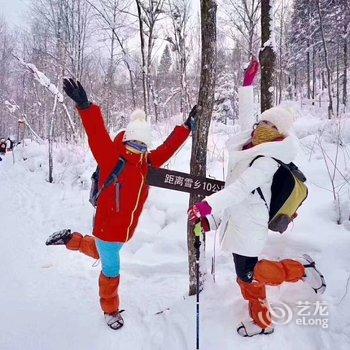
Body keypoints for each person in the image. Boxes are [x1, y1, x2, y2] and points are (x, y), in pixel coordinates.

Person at [46, 78, 197, 330]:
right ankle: (110, 311)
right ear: (126, 140)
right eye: (134, 143)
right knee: (111, 271)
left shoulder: (145, 163)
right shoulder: (110, 158)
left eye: (142, 146)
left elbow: (167, 149)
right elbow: (97, 134)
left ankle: (71, 240)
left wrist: (186, 128)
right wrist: (86, 107)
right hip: (107, 229)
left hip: (122, 233)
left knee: (105, 254)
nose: (138, 149)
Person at [188, 65, 326, 337]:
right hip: (238, 222)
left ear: (278, 134)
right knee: (246, 276)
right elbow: (245, 120)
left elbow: (240, 189)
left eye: (270, 126)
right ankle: (262, 319)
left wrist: (207, 205)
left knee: (249, 274)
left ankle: (301, 271)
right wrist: (247, 84)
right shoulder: (250, 148)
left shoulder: (267, 161)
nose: (262, 127)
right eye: (261, 123)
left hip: (250, 226)